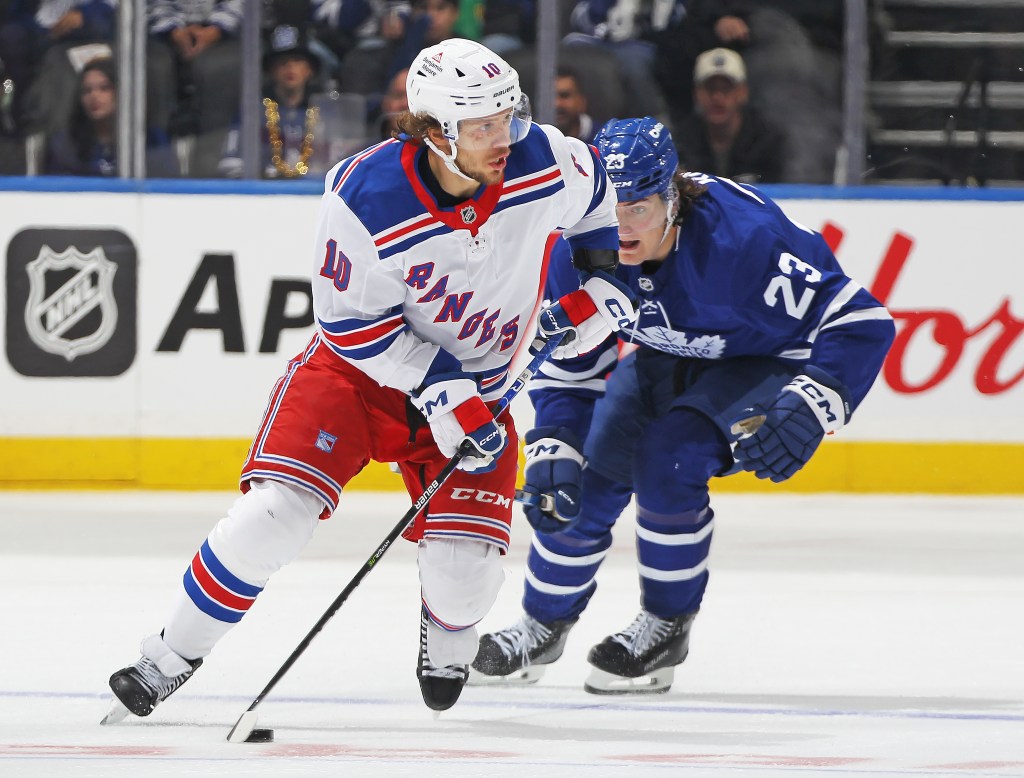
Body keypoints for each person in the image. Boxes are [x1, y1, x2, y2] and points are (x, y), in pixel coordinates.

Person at [104, 38, 635, 718]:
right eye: (482, 125)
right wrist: (440, 387)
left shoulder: (545, 161)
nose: (504, 138)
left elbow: (598, 196)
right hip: (360, 381)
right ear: (435, 132)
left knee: (467, 582)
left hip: (481, 393)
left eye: (508, 116)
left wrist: (600, 282)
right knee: (271, 519)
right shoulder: (366, 194)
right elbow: (350, 325)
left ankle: (443, 628)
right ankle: (167, 656)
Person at [471, 117, 895, 694]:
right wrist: (556, 441)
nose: (620, 228)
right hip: (665, 356)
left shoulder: (743, 243)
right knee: (583, 478)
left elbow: (862, 319)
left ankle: (667, 626)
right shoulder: (576, 245)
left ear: (673, 196)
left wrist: (814, 401)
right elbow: (573, 366)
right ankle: (540, 626)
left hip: (765, 359)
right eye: (608, 207)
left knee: (671, 456)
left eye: (639, 208)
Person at [146, 0, 243, 177]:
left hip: (224, 34)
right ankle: (159, 162)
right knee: (154, 67)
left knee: (223, 68)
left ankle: (209, 166)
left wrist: (216, 29)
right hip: (163, 33)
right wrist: (173, 30)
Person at [217, 24, 322, 179]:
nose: (290, 67)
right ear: (271, 70)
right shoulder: (253, 112)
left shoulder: (325, 112)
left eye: (297, 60)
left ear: (309, 70)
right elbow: (229, 163)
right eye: (282, 61)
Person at [44, 56, 178, 176]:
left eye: (104, 88)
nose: (94, 97)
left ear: (122, 93)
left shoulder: (152, 140)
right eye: (87, 91)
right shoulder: (65, 145)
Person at [673, 47, 785, 185]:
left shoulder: (768, 140)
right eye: (710, 88)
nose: (718, 97)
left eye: (726, 89)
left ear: (742, 92)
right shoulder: (680, 142)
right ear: (697, 93)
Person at [553, 65, 594, 143]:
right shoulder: (530, 137)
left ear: (582, 102)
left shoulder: (602, 139)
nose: (556, 104)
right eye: (549, 96)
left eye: (564, 96)